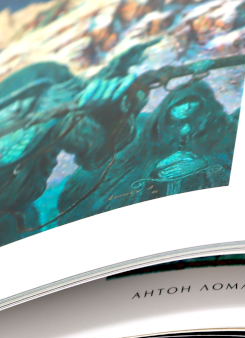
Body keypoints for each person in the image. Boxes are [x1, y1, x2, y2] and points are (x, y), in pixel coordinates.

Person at [0, 57, 145, 246]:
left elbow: (95, 152)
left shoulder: (55, 88)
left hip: (18, 219)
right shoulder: (32, 105)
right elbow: (8, 151)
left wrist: (111, 111)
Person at [58, 80, 238, 220]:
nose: (187, 107)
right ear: (168, 105)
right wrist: (156, 166)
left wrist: (203, 163)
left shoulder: (218, 127)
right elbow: (122, 166)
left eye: (193, 102)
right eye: (180, 103)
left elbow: (232, 154)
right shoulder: (145, 129)